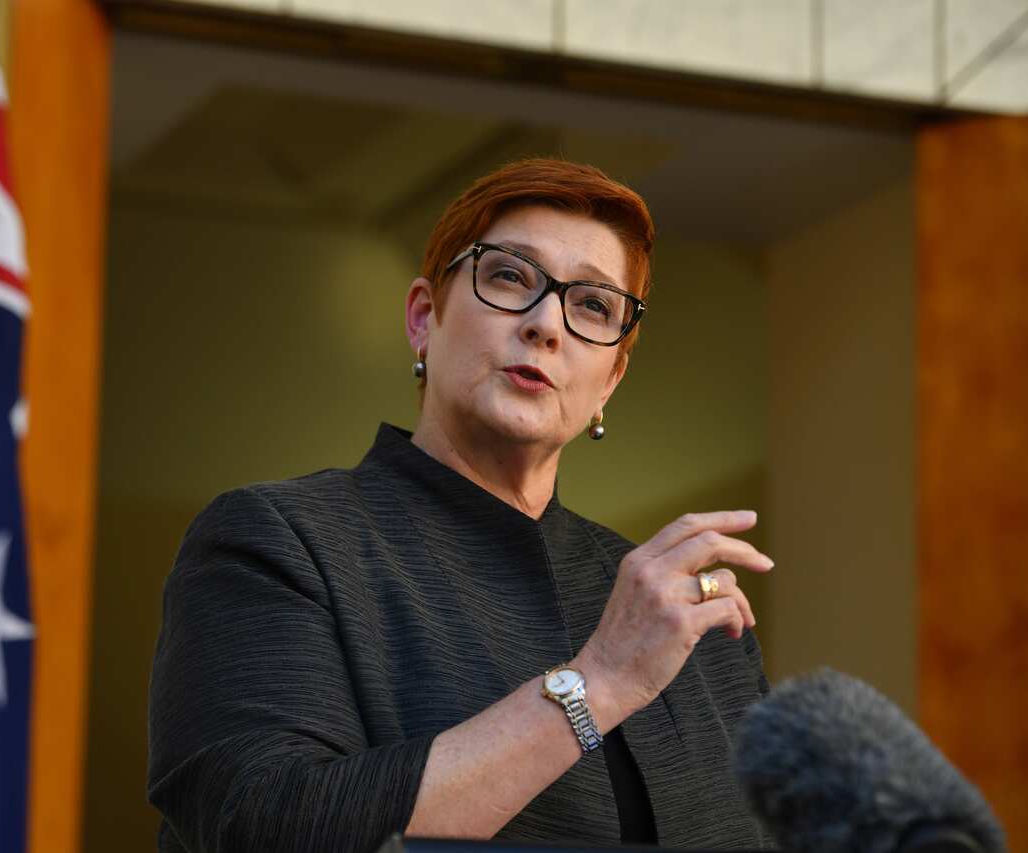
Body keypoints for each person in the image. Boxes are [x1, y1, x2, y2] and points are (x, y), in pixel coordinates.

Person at [147, 158, 775, 852]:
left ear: (611, 380)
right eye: (510, 275)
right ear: (424, 317)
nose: (546, 324)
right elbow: (259, 825)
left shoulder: (677, 611)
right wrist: (598, 682)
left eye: (593, 305)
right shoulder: (277, 541)